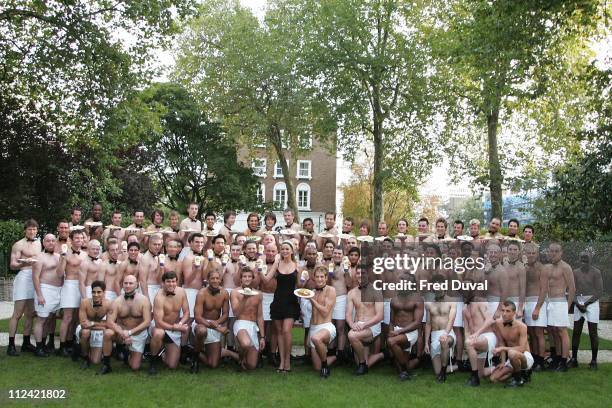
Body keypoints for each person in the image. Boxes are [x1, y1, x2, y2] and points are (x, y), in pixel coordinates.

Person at [101, 274, 152, 374]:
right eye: (125, 283)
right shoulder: (117, 301)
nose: (128, 285)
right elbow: (110, 322)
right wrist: (122, 333)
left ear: (137, 285)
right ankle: (106, 365)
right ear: (122, 285)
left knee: (135, 367)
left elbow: (147, 322)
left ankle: (126, 353)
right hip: (121, 334)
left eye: (131, 283)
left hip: (137, 335)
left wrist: (129, 333)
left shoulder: (144, 300)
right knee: (108, 333)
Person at [263, 241, 301, 372]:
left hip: (291, 302)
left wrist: (303, 279)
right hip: (278, 301)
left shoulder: (297, 265)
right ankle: (282, 362)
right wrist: (258, 270)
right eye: (282, 249)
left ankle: (288, 362)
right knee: (279, 332)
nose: (284, 251)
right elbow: (267, 279)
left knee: (286, 331)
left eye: (287, 249)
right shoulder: (277, 264)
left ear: (292, 251)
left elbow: (300, 286)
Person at [7, 219, 40, 356]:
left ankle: (26, 343)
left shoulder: (39, 243)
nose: (32, 231)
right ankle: (11, 345)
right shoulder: (18, 245)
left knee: (31, 313)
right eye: (29, 229)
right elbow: (12, 265)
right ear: (25, 230)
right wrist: (24, 263)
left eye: (34, 229)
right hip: (23, 278)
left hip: (35, 279)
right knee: (18, 313)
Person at [541, 243, 575, 371]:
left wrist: (567, 307)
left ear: (561, 253)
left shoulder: (565, 267)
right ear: (548, 252)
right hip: (550, 302)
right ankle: (557, 357)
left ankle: (564, 361)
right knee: (552, 331)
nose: (553, 253)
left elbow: (572, 288)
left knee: (561, 331)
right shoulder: (547, 267)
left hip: (560, 302)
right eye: (551, 251)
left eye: (556, 251)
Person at [149, 271, 190, 375]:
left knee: (172, 365)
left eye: (173, 281)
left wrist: (180, 324)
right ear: (163, 283)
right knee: (159, 333)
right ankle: (153, 361)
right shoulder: (159, 297)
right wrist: (176, 328)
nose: (171, 284)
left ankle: (163, 352)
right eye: (168, 282)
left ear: (177, 282)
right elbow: (158, 323)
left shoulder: (181, 292)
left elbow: (186, 312)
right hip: (160, 327)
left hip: (174, 328)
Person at [346, 266, 384, 375]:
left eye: (363, 273)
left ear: (368, 274)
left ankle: (362, 364)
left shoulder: (376, 291)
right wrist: (352, 324)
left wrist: (365, 325)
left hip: (373, 325)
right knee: (353, 334)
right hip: (358, 325)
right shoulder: (352, 293)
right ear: (355, 275)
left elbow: (380, 316)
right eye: (358, 273)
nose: (360, 275)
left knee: (352, 335)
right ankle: (382, 355)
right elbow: (348, 314)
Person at [569, 251, 603, 370]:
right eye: (582, 258)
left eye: (586, 258)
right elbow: (571, 290)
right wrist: (577, 303)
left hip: (592, 302)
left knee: (593, 332)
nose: (584, 260)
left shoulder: (596, 272)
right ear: (579, 259)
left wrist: (587, 303)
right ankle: (574, 359)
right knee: (576, 331)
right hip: (578, 301)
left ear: (591, 259)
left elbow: (599, 291)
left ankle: (594, 361)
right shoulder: (575, 272)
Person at [192, 269, 230, 372]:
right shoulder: (201, 293)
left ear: (220, 280)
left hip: (215, 324)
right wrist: (218, 327)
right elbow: (198, 317)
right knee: (201, 331)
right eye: (212, 278)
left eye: (217, 278)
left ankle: (191, 350)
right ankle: (195, 360)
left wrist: (217, 324)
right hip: (202, 323)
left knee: (213, 364)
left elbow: (226, 314)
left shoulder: (225, 293)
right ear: (207, 280)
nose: (215, 280)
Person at [488, 301, 533, 387]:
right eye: (503, 310)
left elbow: (522, 348)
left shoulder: (522, 326)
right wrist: (503, 362)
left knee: (512, 353)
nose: (504, 314)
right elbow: (501, 342)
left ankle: (519, 380)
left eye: (508, 311)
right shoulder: (498, 323)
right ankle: (517, 373)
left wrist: (502, 349)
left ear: (514, 313)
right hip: (511, 357)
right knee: (493, 379)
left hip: (525, 356)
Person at [388, 272, 424, 381]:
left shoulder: (417, 299)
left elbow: (417, 322)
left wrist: (399, 332)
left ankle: (404, 370)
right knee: (399, 366)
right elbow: (391, 321)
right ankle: (414, 363)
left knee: (391, 342)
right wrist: (391, 331)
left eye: (403, 280)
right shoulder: (394, 299)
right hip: (397, 331)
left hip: (410, 332)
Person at [57, 229, 86, 357]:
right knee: (67, 317)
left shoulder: (85, 255)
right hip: (69, 284)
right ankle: (62, 345)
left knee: (77, 318)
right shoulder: (65, 253)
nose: (79, 240)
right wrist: (63, 259)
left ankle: (71, 342)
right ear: (71, 239)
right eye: (77, 238)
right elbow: (58, 273)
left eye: (81, 238)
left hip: (81, 286)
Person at [32, 233, 61, 357]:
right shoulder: (39, 257)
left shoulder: (59, 257)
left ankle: (44, 344)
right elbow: (35, 277)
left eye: (53, 240)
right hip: (45, 290)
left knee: (50, 319)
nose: (51, 243)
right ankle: (39, 348)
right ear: (43, 243)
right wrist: (39, 295)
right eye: (48, 241)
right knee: (41, 319)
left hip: (57, 291)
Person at [230, 268, 265, 370]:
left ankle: (231, 354)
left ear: (253, 278)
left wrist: (262, 336)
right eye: (244, 276)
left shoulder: (258, 294)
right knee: (245, 343)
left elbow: (260, 316)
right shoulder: (235, 292)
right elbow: (236, 313)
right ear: (240, 279)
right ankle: (240, 360)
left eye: (249, 276)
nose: (247, 279)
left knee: (251, 366)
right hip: (240, 323)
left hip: (253, 325)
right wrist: (245, 298)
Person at [425, 274, 457, 383]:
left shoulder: (452, 301)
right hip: (434, 336)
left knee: (444, 341)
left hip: (447, 333)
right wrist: (426, 343)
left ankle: (443, 374)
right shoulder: (429, 304)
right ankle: (458, 367)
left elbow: (451, 320)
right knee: (436, 371)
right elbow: (428, 324)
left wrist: (445, 333)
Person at [464, 282, 497, 386]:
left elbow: (490, 321)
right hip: (476, 339)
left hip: (488, 336)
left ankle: (474, 378)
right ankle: (503, 367)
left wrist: (477, 334)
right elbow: (466, 329)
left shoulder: (481, 302)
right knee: (481, 373)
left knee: (470, 343)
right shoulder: (465, 309)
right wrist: (467, 340)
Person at [308, 266, 337, 378]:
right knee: (316, 367)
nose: (319, 279)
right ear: (314, 278)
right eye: (317, 277)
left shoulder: (331, 290)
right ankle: (335, 357)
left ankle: (325, 366)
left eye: (322, 277)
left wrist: (312, 300)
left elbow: (325, 312)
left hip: (327, 326)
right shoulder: (312, 292)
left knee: (316, 338)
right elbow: (312, 314)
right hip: (314, 327)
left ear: (326, 278)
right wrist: (310, 331)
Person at [76, 281, 112, 368]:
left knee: (95, 361)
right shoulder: (85, 302)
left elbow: (110, 324)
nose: (96, 294)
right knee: (85, 332)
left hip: (97, 329)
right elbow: (83, 324)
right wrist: (102, 326)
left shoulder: (109, 304)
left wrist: (92, 323)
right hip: (86, 329)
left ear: (104, 292)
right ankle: (85, 358)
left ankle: (81, 349)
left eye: (99, 292)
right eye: (93, 292)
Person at [523, 243, 548, 371]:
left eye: (533, 253)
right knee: (531, 333)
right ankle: (534, 358)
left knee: (539, 333)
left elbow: (544, 289)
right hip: (527, 302)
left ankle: (541, 361)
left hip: (538, 302)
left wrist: (538, 307)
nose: (531, 255)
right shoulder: (524, 267)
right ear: (525, 254)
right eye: (529, 253)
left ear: (537, 254)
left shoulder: (541, 268)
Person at [329, 245, 351, 363]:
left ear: (342, 255)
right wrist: (329, 274)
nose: (337, 255)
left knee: (340, 327)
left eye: (339, 253)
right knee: (331, 326)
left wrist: (346, 272)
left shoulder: (345, 266)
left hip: (342, 298)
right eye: (335, 253)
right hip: (330, 299)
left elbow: (349, 283)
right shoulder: (329, 266)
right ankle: (331, 351)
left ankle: (341, 353)